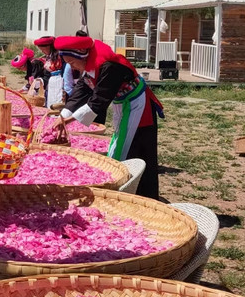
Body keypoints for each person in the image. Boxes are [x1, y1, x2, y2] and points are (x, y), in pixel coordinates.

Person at [54, 35, 163, 199]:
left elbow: (98, 100)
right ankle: (128, 189)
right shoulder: (90, 64)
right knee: (122, 143)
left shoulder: (108, 65)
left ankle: (141, 195)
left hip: (138, 106)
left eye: (72, 63)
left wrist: (69, 121)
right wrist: (63, 115)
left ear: (81, 56)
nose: (73, 68)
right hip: (124, 104)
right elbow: (81, 90)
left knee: (137, 148)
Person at [33, 35, 64, 107]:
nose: (42, 51)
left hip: (60, 81)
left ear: (48, 47)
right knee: (51, 100)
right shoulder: (48, 57)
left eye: (43, 49)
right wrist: (40, 80)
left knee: (58, 101)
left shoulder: (59, 57)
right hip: (51, 82)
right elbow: (47, 74)